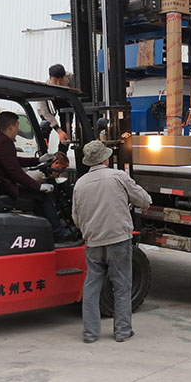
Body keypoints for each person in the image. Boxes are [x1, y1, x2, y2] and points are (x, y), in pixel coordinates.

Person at [72, 140, 151, 343]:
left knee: (92, 286)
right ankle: (122, 331)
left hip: (93, 242)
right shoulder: (118, 176)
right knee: (121, 285)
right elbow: (144, 200)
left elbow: (76, 218)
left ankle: (90, 333)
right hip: (118, 239)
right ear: (106, 158)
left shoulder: (80, 184)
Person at [0, 111, 72, 242]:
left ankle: (45, 230)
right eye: (17, 126)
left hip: (1, 186)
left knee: (37, 198)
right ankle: (58, 233)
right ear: (11, 127)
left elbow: (14, 161)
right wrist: (38, 187)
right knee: (43, 197)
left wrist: (37, 160)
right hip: (6, 189)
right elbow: (16, 172)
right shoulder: (4, 143)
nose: (17, 130)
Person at [36, 64, 75, 150]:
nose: (58, 84)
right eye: (55, 81)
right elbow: (45, 112)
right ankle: (42, 151)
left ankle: (61, 154)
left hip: (66, 100)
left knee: (67, 129)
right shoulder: (45, 89)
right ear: (50, 78)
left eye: (61, 80)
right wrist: (58, 131)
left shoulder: (72, 78)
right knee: (45, 126)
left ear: (65, 77)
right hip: (49, 104)